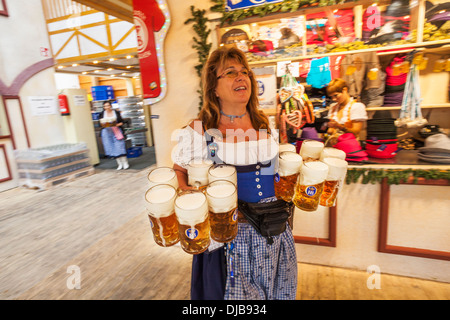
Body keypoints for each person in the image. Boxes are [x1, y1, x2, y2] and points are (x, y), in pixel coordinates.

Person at [172, 47, 297, 300]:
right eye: (230, 72)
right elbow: (180, 170)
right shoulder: (200, 131)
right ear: (214, 88)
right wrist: (188, 196)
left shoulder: (264, 123)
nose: (242, 77)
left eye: (244, 72)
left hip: (274, 232)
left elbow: (276, 175)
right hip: (229, 240)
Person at [99, 101, 129, 170]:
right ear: (103, 107)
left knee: (120, 146)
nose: (107, 107)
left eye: (108, 105)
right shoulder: (102, 114)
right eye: (105, 106)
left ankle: (125, 163)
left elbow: (122, 122)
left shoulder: (116, 112)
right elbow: (100, 124)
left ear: (110, 106)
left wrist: (117, 124)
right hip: (107, 132)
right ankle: (119, 164)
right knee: (111, 147)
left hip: (117, 131)